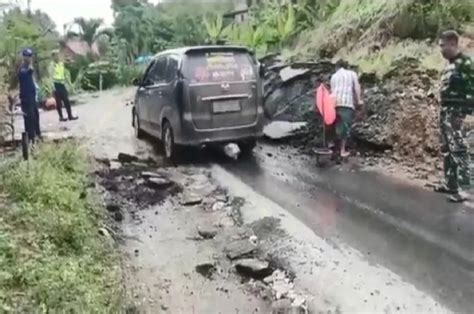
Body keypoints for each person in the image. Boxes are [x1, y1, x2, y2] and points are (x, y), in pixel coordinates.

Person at [434, 30, 474, 203]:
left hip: (458, 113)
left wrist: (467, 114)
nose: (441, 50)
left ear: (452, 43)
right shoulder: (449, 65)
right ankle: (451, 183)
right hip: (446, 112)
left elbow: (472, 89)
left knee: (459, 149)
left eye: (443, 46)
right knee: (447, 149)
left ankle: (466, 189)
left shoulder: (465, 63)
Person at [330, 59, 363, 163]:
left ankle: (333, 148)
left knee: (335, 125)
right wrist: (359, 100)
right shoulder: (352, 74)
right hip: (346, 103)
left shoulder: (334, 76)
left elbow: (332, 91)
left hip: (334, 104)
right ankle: (342, 150)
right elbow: (356, 87)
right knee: (344, 126)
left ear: (337, 67)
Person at [17, 48, 39, 144]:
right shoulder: (23, 68)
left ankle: (37, 135)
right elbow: (25, 74)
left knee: (35, 116)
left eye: (30, 56)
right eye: (27, 56)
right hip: (26, 97)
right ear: (24, 57)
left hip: (32, 96)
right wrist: (30, 68)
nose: (29, 58)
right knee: (29, 118)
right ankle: (31, 138)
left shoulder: (29, 67)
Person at [49, 50, 78, 121]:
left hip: (62, 84)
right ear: (52, 57)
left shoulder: (61, 64)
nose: (57, 57)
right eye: (55, 55)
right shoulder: (52, 66)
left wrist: (70, 84)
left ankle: (70, 115)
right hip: (56, 84)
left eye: (58, 55)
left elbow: (65, 74)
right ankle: (61, 117)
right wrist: (53, 87)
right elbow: (51, 77)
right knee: (58, 102)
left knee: (66, 100)